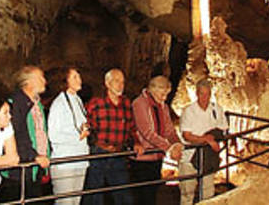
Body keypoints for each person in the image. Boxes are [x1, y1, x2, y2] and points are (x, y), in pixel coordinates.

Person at [84, 69, 141, 205]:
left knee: (124, 194)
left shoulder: (126, 103)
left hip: (118, 153)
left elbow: (132, 128)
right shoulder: (96, 103)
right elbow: (87, 126)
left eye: (122, 82)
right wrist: (95, 142)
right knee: (94, 194)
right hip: (99, 153)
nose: (120, 85)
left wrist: (136, 143)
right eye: (116, 81)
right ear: (107, 83)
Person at [0, 66, 51, 202]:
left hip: (34, 167)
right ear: (29, 82)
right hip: (19, 171)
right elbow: (15, 135)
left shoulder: (36, 104)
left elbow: (40, 132)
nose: (45, 81)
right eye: (41, 77)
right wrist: (34, 156)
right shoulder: (16, 103)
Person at [131, 76, 183, 205]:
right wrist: (169, 148)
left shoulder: (163, 106)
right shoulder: (139, 104)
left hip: (157, 157)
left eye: (167, 93)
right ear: (153, 89)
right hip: (143, 158)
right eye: (163, 93)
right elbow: (147, 132)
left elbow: (169, 130)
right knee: (143, 196)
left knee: (154, 193)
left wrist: (177, 144)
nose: (165, 97)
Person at [178, 79, 227, 205]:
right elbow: (187, 135)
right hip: (189, 158)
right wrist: (206, 139)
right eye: (202, 94)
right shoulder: (189, 111)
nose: (204, 97)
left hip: (208, 158)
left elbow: (223, 130)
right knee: (187, 194)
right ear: (197, 93)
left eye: (207, 94)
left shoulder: (216, 110)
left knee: (207, 193)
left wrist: (216, 143)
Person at [48, 67, 90, 205]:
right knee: (65, 202)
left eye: (79, 76)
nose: (79, 80)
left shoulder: (77, 100)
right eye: (74, 77)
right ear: (65, 81)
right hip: (65, 162)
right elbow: (53, 135)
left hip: (80, 159)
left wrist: (85, 128)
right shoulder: (58, 104)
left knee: (75, 202)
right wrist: (78, 136)